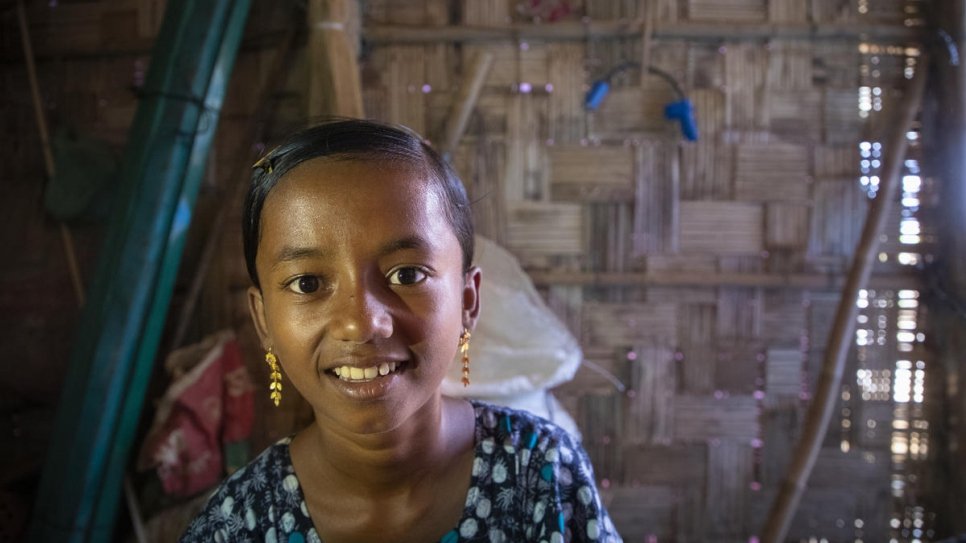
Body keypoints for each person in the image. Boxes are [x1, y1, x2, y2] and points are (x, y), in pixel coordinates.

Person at [180, 118, 622, 543]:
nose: (361, 322)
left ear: (468, 301)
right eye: (308, 283)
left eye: (407, 275)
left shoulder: (543, 475)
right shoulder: (239, 523)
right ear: (264, 320)